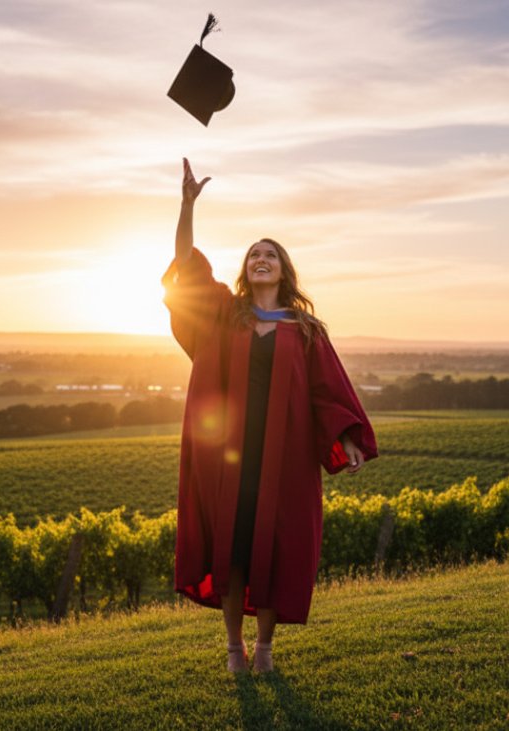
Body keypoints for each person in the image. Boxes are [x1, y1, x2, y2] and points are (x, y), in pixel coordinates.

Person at [163, 158, 378, 673]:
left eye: (271, 255)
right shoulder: (223, 312)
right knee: (234, 554)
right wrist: (187, 206)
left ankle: (264, 650)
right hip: (229, 458)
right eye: (254, 254)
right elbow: (187, 267)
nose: (261, 259)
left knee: (273, 553)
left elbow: (329, 391)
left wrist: (347, 437)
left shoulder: (305, 330)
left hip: (282, 459)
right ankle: (234, 648)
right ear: (246, 270)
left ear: (283, 270)